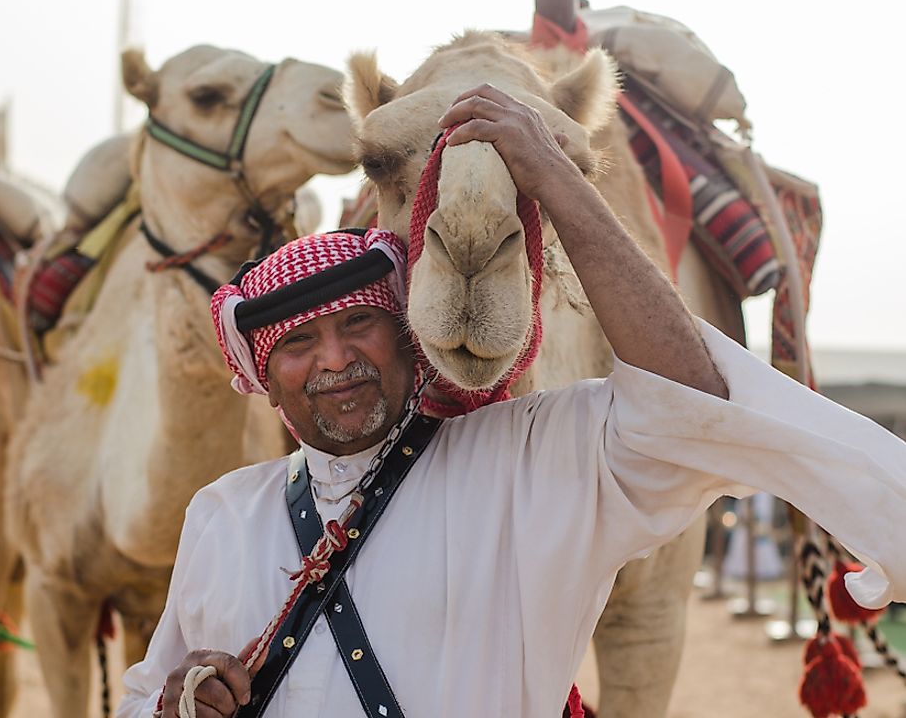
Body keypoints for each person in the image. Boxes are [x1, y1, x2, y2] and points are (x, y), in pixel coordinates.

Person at [117, 86, 906, 718]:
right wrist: (178, 700)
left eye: (360, 323)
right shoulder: (221, 514)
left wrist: (555, 180)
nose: (334, 360)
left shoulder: (533, 460)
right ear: (261, 373)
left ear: (406, 328)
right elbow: (144, 691)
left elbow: (692, 401)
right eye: (296, 343)